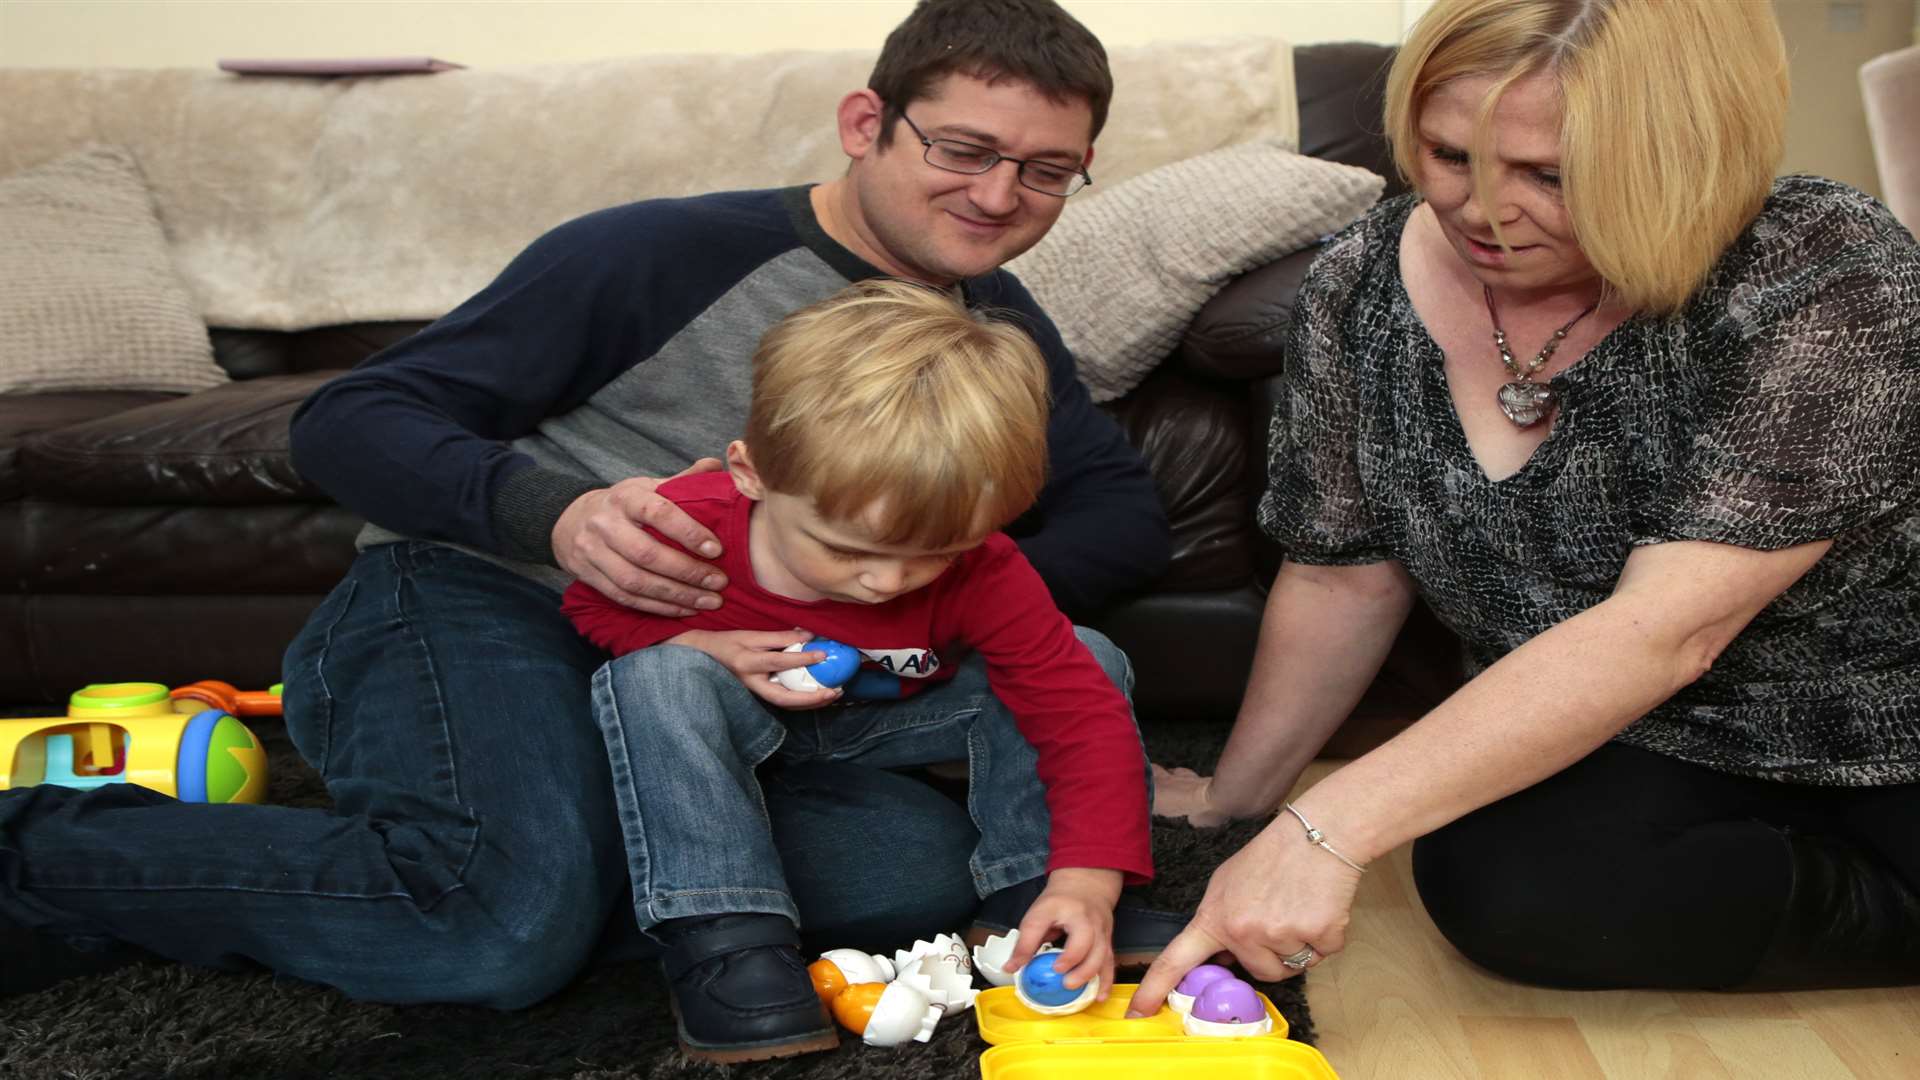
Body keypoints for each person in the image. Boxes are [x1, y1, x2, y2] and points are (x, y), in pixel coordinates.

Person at [0, 0, 1173, 1030]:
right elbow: (349, 420)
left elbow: (1118, 511)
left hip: (726, 692)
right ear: (865, 123)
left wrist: (912, 597)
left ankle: (547, 866)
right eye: (963, 148)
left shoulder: (991, 333)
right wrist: (553, 518)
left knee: (921, 869)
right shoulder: (665, 253)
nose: (997, 195)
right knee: (492, 934)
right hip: (484, 600)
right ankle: (37, 849)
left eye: (1047, 170)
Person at [1132, 0, 1920, 1015]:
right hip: (1637, 732)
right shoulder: (1358, 284)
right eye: (1451, 154)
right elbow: (1341, 572)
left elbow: (1666, 631)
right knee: (1497, 886)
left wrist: (1325, 825)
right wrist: (1240, 802)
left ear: (1682, 157)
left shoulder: (1821, 267)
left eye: (1551, 176)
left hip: (1889, 724)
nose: (1485, 214)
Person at [563, 279, 1157, 1060]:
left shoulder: (986, 567)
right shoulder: (690, 526)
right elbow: (590, 610)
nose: (886, 583)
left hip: (891, 729)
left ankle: (1032, 892)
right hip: (754, 746)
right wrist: (703, 650)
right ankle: (729, 941)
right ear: (751, 475)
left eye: (934, 556)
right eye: (846, 551)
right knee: (658, 677)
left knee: (1085, 654)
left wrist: (1089, 879)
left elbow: (1078, 715)